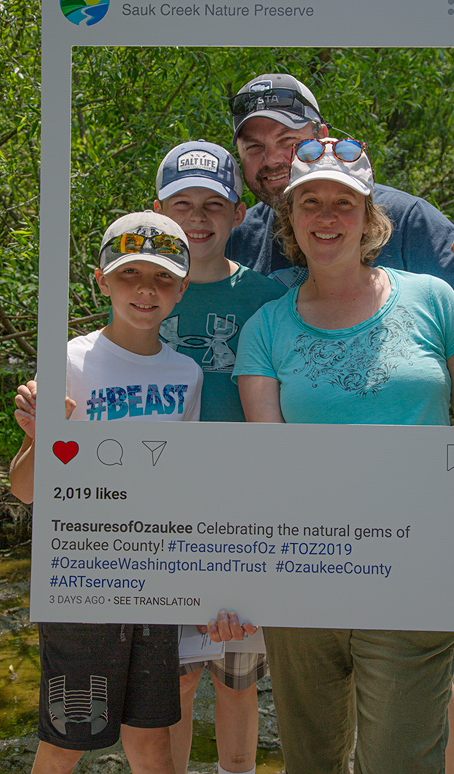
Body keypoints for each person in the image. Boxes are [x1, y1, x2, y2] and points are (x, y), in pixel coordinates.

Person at [232, 138, 454, 774]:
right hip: (302, 575)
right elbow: (268, 459)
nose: (327, 216)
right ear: (290, 218)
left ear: (370, 218)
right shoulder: (265, 329)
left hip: (417, 569)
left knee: (400, 760)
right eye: (311, 202)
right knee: (313, 761)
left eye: (344, 202)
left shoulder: (434, 301)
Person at [10, 211, 203, 774]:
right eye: (129, 274)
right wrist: (43, 438)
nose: (146, 289)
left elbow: (186, 484)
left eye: (164, 277)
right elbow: (24, 491)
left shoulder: (187, 374)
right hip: (80, 576)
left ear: (182, 289)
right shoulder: (67, 362)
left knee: (151, 740)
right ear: (101, 279)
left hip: (155, 573)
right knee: (70, 734)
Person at [154, 140, 286, 774]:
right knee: (175, 679)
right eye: (183, 205)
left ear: (238, 214)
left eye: (213, 205)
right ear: (160, 212)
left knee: (239, 677)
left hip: (248, 508)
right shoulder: (144, 290)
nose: (198, 219)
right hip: (164, 515)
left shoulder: (266, 297)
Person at [226, 72, 454, 329]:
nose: (272, 159)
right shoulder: (236, 239)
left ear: (322, 137)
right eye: (254, 147)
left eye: (287, 141)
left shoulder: (405, 218)